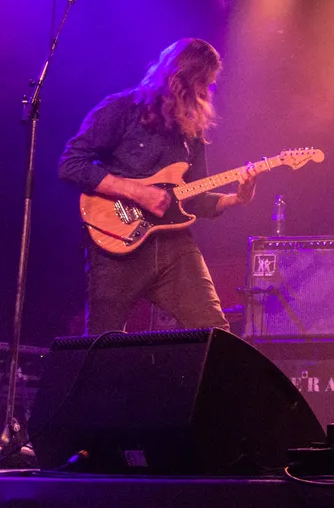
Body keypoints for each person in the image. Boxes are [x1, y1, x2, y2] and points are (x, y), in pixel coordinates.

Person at [58, 38, 259, 335]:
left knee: (215, 333)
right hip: (116, 245)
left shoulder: (191, 130)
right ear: (179, 80)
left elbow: (194, 197)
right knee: (104, 344)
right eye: (203, 83)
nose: (209, 90)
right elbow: (71, 164)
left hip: (174, 247)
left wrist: (237, 198)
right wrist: (137, 192)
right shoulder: (122, 109)